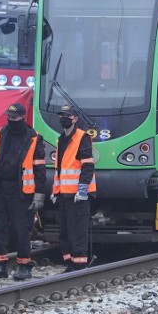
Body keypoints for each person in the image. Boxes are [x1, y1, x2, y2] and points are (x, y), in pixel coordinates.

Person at [0, 102, 46, 280]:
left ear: (22, 117)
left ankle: (24, 266)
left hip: (23, 193)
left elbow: (40, 171)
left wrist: (38, 196)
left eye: (14, 117)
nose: (10, 120)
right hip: (1, 189)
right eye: (8, 117)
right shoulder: (0, 134)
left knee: (21, 229)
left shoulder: (34, 138)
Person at [51, 105, 96, 272]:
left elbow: (87, 166)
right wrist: (55, 192)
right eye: (61, 115)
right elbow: (60, 169)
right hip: (64, 193)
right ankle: (70, 263)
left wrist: (82, 190)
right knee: (65, 231)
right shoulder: (62, 138)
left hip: (78, 194)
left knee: (77, 230)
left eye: (67, 115)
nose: (63, 118)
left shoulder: (82, 137)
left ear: (75, 118)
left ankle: (79, 264)